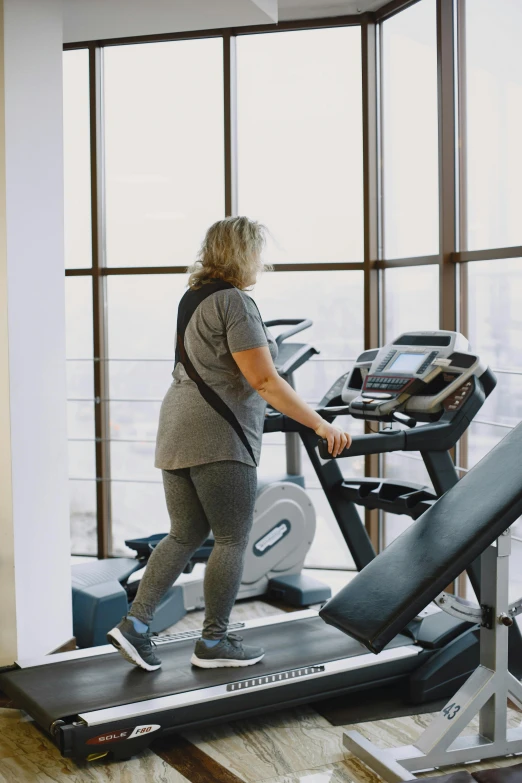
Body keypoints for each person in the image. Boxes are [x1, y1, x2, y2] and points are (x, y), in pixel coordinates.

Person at [107, 217, 351, 671]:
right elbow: (263, 379)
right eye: (258, 253)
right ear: (242, 254)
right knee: (234, 537)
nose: (262, 262)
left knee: (184, 533)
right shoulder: (236, 303)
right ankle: (214, 643)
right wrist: (321, 425)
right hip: (218, 435)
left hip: (177, 425)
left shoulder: (193, 297)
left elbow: (222, 369)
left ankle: (135, 625)